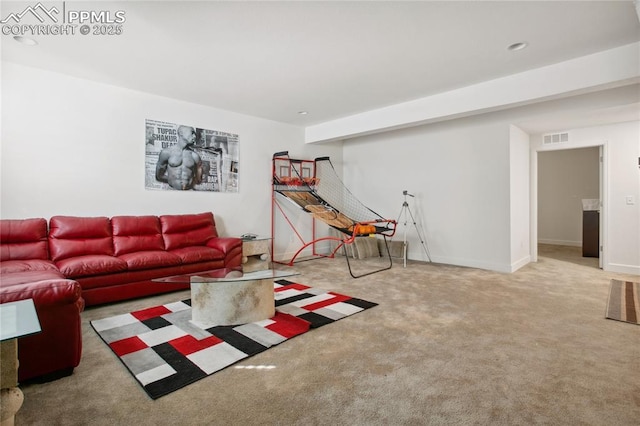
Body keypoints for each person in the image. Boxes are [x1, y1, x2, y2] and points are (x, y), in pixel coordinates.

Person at [155, 125, 203, 190]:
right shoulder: (166, 153)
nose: (194, 136)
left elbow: (198, 179)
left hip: (188, 192)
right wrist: (172, 181)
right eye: (192, 133)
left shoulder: (195, 156)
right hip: (172, 190)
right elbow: (159, 176)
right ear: (181, 133)